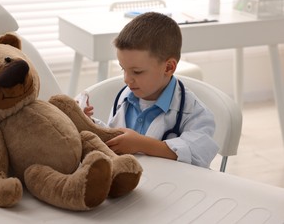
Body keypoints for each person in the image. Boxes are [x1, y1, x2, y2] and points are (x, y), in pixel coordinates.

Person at [82, 12, 219, 168]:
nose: (127, 79)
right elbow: (115, 136)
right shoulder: (125, 98)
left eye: (137, 72)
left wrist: (142, 144)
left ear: (168, 67)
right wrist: (89, 123)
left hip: (172, 186)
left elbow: (197, 154)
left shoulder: (194, 112)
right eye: (123, 69)